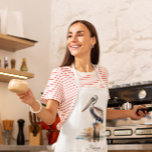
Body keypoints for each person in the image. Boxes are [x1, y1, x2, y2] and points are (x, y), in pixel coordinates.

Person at [17, 20, 148, 152]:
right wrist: (32, 102)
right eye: (69, 36)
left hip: (97, 148)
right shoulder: (60, 74)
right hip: (70, 148)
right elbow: (50, 117)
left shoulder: (102, 73)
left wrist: (130, 112)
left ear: (92, 40)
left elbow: (99, 111)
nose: (73, 39)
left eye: (79, 34)